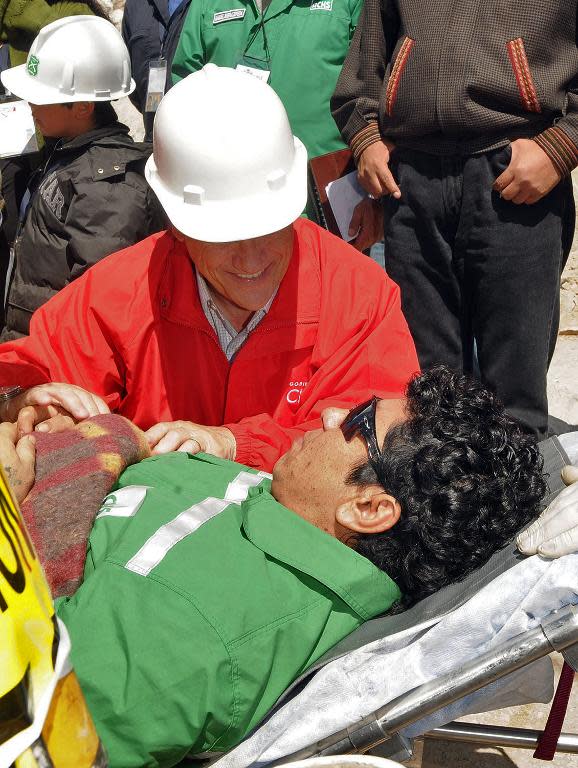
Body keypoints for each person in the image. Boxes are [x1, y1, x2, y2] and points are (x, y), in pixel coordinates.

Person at [0, 366, 560, 766]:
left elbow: (35, 738)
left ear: (367, 509)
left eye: (359, 420)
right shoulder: (293, 519)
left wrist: (11, 507)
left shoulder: (189, 633)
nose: (332, 411)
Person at [0, 66, 419, 472]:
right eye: (221, 235)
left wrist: (236, 443)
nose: (252, 259)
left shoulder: (360, 295)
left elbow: (387, 439)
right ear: (175, 225)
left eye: (270, 226)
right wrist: (23, 403)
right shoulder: (117, 293)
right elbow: (23, 377)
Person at [331, 1, 578, 440]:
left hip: (517, 174)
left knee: (515, 396)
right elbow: (363, 70)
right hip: (411, 182)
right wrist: (365, 136)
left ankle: (517, 504)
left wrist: (562, 146)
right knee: (429, 390)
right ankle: (444, 503)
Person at [0, 16, 162, 339]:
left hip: (51, 371)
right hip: (28, 351)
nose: (30, 105)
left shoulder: (109, 191)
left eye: (41, 97)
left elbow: (93, 321)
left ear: (83, 106)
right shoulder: (70, 152)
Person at [170, 0, 364, 223]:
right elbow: (183, 97)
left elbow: (371, 88)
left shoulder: (349, 3)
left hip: (327, 202)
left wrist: (370, 196)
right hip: (228, 202)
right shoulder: (206, 5)